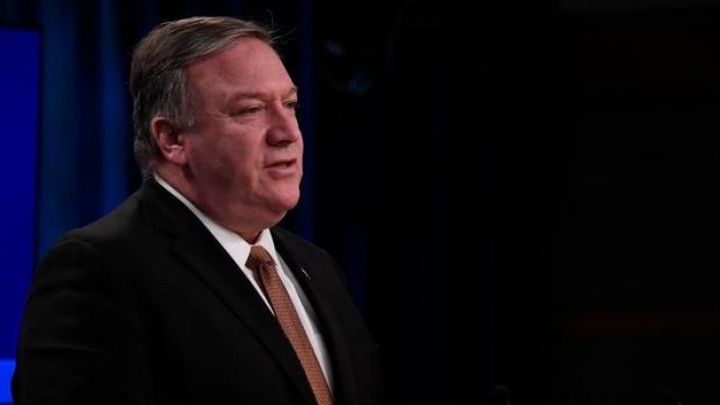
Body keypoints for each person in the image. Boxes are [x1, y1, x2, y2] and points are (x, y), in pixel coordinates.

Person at [12, 15, 383, 405]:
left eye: (290, 104)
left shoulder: (318, 267)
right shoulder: (101, 269)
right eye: (250, 110)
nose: (288, 132)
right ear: (172, 138)